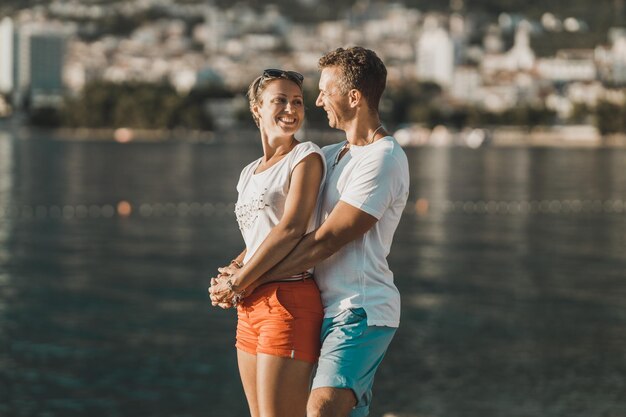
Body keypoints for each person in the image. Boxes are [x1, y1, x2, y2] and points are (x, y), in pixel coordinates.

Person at [212, 47, 410, 417]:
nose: (317, 101)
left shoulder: (383, 159)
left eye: (324, 91)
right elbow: (277, 224)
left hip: (359, 308)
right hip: (322, 302)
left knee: (319, 410)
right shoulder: (333, 154)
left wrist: (246, 281)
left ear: (353, 97)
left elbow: (325, 239)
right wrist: (236, 268)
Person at [209, 68, 326, 417]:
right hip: (250, 305)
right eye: (280, 100)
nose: (291, 109)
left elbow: (291, 228)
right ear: (257, 108)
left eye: (297, 102)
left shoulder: (305, 156)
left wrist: (237, 281)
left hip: (288, 301)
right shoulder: (249, 172)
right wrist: (232, 268)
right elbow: (259, 235)